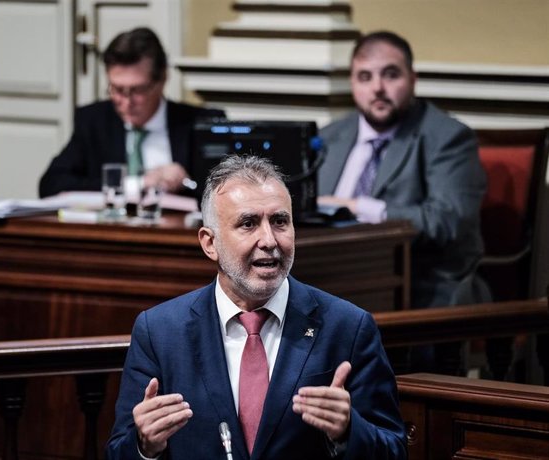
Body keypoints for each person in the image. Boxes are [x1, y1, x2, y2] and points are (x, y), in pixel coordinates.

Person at [106, 155, 407, 459]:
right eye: (248, 224)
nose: (269, 240)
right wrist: (145, 446)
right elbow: (119, 451)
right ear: (210, 243)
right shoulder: (159, 331)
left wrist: (348, 431)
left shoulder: (348, 327)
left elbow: (394, 450)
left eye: (280, 222)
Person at [317, 31, 489, 374]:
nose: (377, 88)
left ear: (413, 79)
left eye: (390, 74)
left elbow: (448, 219)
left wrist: (358, 206)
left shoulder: (447, 137)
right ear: (352, 83)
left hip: (417, 288)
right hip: (330, 280)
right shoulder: (330, 137)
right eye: (365, 77)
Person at [38, 27, 224, 198]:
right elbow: (51, 185)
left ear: (162, 80)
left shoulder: (202, 123)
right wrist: (137, 184)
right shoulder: (94, 121)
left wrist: (185, 182)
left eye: (138, 90)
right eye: (117, 89)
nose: (126, 102)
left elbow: (229, 193)